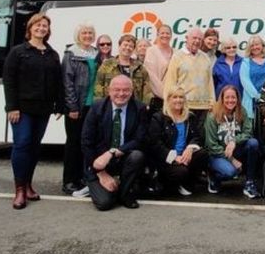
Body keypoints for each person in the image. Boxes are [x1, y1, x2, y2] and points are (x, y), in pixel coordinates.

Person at [3, 13, 62, 209]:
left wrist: (60, 105)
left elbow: (58, 83)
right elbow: (9, 81)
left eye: (44, 26)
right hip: (22, 109)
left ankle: (28, 184)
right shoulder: (18, 52)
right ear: (30, 28)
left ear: (48, 30)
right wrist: (12, 107)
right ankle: (19, 190)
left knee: (35, 146)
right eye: (38, 25)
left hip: (43, 108)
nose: (41, 28)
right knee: (22, 143)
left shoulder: (52, 54)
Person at [82, 75, 147, 210]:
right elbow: (86, 142)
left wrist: (113, 152)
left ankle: (124, 194)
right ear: (109, 91)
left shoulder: (139, 108)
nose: (121, 94)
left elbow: (140, 139)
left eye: (126, 90)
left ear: (132, 91)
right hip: (98, 163)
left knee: (137, 155)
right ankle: (104, 184)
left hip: (123, 158)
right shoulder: (97, 108)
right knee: (104, 203)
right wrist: (101, 173)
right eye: (117, 90)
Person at [146, 87, 209, 196]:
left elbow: (197, 137)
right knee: (181, 172)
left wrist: (190, 148)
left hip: (184, 157)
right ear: (168, 100)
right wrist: (174, 157)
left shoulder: (190, 117)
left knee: (203, 154)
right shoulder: (159, 118)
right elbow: (155, 143)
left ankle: (186, 183)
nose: (178, 100)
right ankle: (167, 183)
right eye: (174, 97)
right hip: (167, 159)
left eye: (181, 97)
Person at [61, 23, 98, 198]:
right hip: (78, 107)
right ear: (78, 35)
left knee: (88, 144)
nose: (88, 35)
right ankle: (69, 181)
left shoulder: (96, 53)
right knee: (73, 144)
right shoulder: (71, 54)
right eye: (84, 32)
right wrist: (72, 107)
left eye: (90, 33)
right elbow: (67, 83)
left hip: (93, 106)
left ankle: (84, 179)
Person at [205, 85, 261, 198]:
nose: (230, 100)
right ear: (222, 98)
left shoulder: (242, 111)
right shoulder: (213, 116)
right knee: (230, 172)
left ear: (237, 98)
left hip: (235, 150)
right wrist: (232, 160)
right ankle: (214, 176)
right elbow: (211, 145)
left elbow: (248, 132)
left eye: (233, 97)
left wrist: (234, 141)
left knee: (253, 143)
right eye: (227, 97)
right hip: (218, 155)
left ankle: (249, 183)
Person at [163, 27, 215, 135]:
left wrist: (212, 102)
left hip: (203, 107)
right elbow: (170, 82)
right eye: (194, 38)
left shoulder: (205, 58)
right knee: (184, 138)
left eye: (200, 39)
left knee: (200, 139)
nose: (197, 41)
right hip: (184, 106)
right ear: (187, 38)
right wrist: (167, 104)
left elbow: (209, 82)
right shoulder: (177, 57)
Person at [94, 34, 152, 104]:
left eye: (131, 46)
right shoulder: (107, 64)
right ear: (119, 46)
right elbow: (98, 85)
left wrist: (145, 104)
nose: (127, 48)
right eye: (125, 45)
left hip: (134, 107)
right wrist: (99, 104)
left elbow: (147, 88)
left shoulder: (139, 66)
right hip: (110, 105)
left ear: (134, 50)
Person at [239, 35, 265, 120]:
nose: (255, 47)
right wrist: (258, 96)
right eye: (252, 46)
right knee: (254, 127)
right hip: (253, 100)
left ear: (262, 45)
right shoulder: (246, 62)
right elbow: (245, 81)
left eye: (257, 44)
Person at [143, 24, 174, 114]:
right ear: (157, 35)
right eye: (162, 33)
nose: (165, 35)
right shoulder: (151, 51)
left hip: (174, 100)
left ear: (171, 36)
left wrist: (174, 97)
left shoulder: (176, 52)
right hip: (158, 99)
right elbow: (152, 77)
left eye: (167, 33)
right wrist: (166, 95)